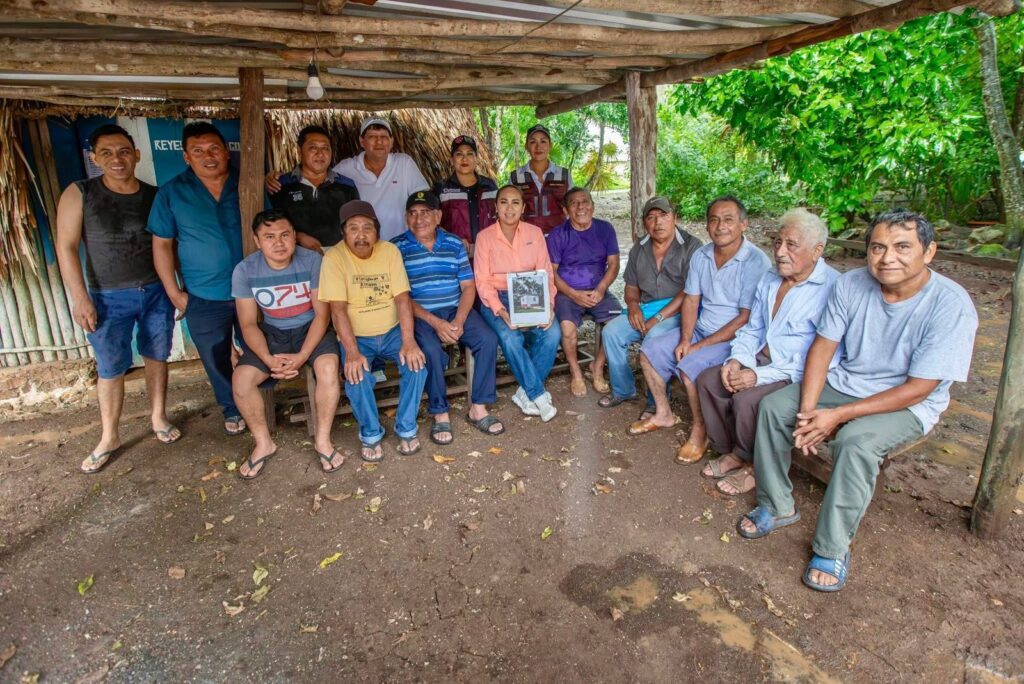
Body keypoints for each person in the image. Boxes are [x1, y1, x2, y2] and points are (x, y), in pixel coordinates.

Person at [738, 209, 977, 593]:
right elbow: (823, 347)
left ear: (929, 252)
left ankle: (831, 547)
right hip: (847, 382)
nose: (887, 258)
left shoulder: (950, 303)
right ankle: (777, 504)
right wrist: (809, 411)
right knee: (772, 408)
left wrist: (837, 416)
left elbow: (920, 387)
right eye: (878, 247)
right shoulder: (852, 284)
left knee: (856, 442)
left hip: (908, 402)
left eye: (902, 247)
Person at [55, 124, 178, 474]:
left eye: (123, 151)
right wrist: (80, 298)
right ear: (94, 158)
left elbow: (168, 245)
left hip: (154, 290)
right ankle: (109, 435)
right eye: (106, 153)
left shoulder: (154, 195)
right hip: (106, 295)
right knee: (110, 367)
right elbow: (66, 247)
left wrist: (174, 289)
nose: (117, 159)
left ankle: (158, 416)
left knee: (157, 354)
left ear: (136, 154)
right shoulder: (80, 193)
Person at [696, 208, 839, 496]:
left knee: (748, 400)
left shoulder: (833, 287)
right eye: (777, 243)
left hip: (797, 370)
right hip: (761, 357)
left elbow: (823, 358)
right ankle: (733, 452)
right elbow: (753, 328)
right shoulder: (771, 279)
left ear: (817, 251)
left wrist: (758, 376)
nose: (780, 252)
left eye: (791, 245)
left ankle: (753, 466)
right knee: (709, 381)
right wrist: (737, 360)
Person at [149, 121, 247, 436]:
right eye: (198, 151)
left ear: (227, 153)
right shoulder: (172, 192)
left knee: (256, 349)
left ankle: (258, 400)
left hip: (251, 291)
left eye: (214, 149)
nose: (208, 156)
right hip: (203, 293)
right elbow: (162, 245)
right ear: (186, 157)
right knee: (215, 356)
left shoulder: (246, 185)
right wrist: (175, 293)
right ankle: (231, 408)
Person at [231, 210, 342, 479]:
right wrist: (269, 359)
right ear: (257, 241)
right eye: (269, 237)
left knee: (328, 368)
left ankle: (323, 440)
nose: (278, 243)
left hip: (310, 329)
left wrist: (302, 356)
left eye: (285, 235)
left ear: (294, 236)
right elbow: (247, 324)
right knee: (241, 380)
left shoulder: (312, 261)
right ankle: (263, 443)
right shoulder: (245, 270)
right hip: (272, 333)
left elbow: (322, 314)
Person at [318, 200, 427, 462]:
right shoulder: (334, 257)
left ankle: (406, 427)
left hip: (391, 331)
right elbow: (338, 311)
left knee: (416, 365)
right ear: (343, 232)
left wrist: (408, 340)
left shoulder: (389, 252)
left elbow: (402, 300)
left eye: (367, 227)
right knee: (356, 375)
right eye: (353, 228)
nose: (361, 234)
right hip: (357, 337)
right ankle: (370, 433)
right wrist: (352, 352)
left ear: (376, 231)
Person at [392, 190, 504, 445]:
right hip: (420, 315)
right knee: (429, 349)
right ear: (406, 218)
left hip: (455, 309)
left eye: (425, 212)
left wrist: (459, 321)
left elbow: (468, 287)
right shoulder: (396, 247)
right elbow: (401, 296)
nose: (419, 219)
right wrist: (436, 322)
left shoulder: (453, 243)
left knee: (487, 339)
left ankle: (479, 407)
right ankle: (440, 412)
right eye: (413, 213)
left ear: (438, 216)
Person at [597, 197, 701, 409]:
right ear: (644, 222)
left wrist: (658, 318)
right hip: (647, 307)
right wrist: (633, 306)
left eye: (663, 215)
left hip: (681, 309)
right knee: (611, 332)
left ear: (675, 218)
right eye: (651, 217)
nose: (657, 222)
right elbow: (631, 286)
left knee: (654, 337)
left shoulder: (692, 246)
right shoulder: (639, 248)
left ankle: (656, 402)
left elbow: (689, 292)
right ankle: (624, 390)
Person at [474, 185, 561, 421]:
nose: (509, 208)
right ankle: (538, 395)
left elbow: (545, 273)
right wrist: (501, 311)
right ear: (496, 206)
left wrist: (549, 305)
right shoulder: (484, 237)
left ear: (523, 207)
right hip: (497, 298)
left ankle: (524, 391)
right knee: (510, 336)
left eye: (515, 202)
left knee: (552, 333)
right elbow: (481, 281)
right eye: (504, 202)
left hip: (530, 294)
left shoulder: (535, 233)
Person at [266, 117, 428, 241]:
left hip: (402, 243)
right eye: (372, 136)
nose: (379, 142)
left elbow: (424, 201)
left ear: (392, 141)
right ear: (361, 141)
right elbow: (318, 173)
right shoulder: (347, 169)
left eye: (384, 136)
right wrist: (271, 177)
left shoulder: (404, 163)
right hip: (363, 246)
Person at [546, 187, 620, 397]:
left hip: (598, 290)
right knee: (567, 330)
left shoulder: (605, 229)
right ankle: (576, 372)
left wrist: (601, 289)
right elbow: (551, 273)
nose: (581, 207)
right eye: (574, 203)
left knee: (617, 324)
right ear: (566, 210)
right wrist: (573, 294)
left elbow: (613, 264)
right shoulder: (558, 235)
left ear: (592, 206)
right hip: (566, 293)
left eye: (585, 202)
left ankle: (596, 366)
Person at [269, 124, 359, 253]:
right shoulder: (280, 186)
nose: (320, 154)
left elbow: (356, 224)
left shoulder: (347, 186)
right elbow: (269, 226)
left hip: (337, 260)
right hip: (295, 260)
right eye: (313, 148)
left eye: (325, 148)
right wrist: (297, 237)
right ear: (299, 151)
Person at [432, 135, 498, 253]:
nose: (464, 159)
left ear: (476, 159)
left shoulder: (489, 186)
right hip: (454, 255)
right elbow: (431, 222)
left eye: (469, 154)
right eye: (459, 154)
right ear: (451, 160)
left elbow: (501, 217)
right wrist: (452, 240)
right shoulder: (441, 189)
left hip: (489, 253)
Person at [510, 124, 572, 234]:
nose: (538, 147)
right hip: (526, 239)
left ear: (550, 145)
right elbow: (510, 210)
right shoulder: (516, 177)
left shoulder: (563, 175)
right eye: (533, 142)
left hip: (558, 238)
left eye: (543, 141)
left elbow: (573, 206)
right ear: (526, 146)